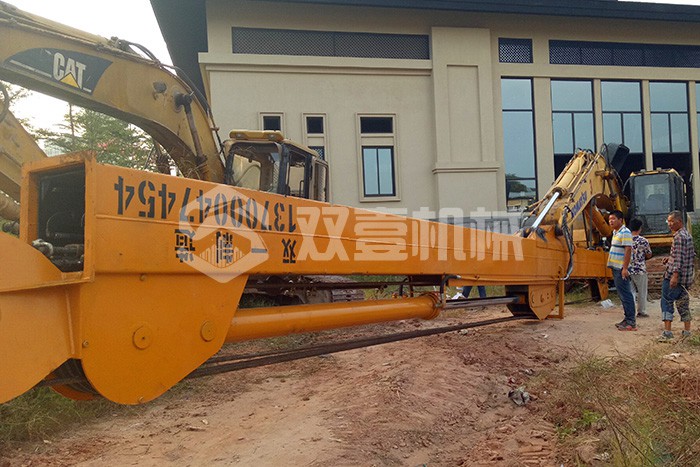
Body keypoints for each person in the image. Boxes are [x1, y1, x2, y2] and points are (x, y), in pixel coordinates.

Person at [659, 210, 695, 340]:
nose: (669, 224)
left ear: (679, 221)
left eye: (671, 221)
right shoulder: (687, 235)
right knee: (683, 304)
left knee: (666, 301)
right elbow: (687, 256)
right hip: (686, 278)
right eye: (668, 221)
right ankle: (687, 331)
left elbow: (679, 259)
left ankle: (667, 332)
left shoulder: (678, 237)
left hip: (674, 277)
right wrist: (670, 259)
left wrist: (674, 276)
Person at [607, 210, 637, 331]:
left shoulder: (625, 232)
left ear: (620, 220)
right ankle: (627, 318)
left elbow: (628, 250)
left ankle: (631, 321)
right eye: (609, 219)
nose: (611, 221)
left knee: (626, 294)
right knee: (622, 294)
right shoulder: (616, 232)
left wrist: (625, 268)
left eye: (613, 219)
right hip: (616, 267)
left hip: (621, 268)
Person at [628, 218, 652, 318]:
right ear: (640, 228)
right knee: (642, 291)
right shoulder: (643, 241)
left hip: (627, 269)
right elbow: (649, 254)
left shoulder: (625, 239)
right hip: (640, 269)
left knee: (630, 292)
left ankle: (630, 311)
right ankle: (641, 311)